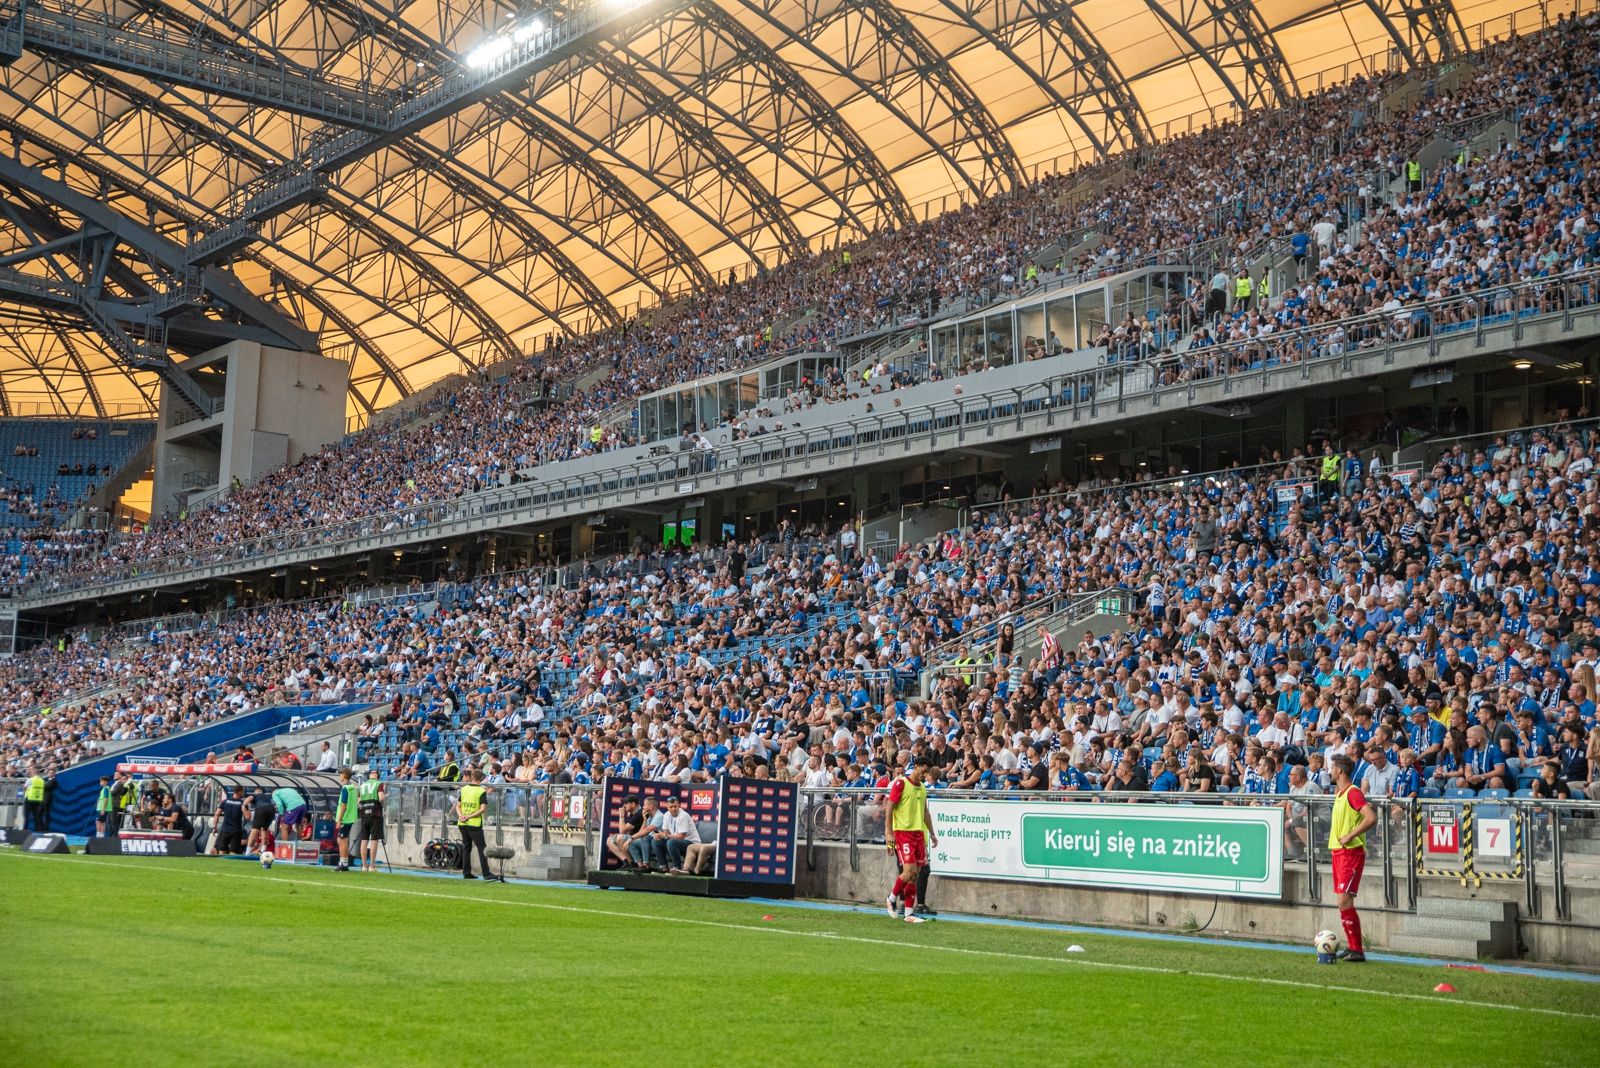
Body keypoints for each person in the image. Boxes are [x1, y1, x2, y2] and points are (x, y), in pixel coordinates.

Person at [1328, 754, 1377, 963]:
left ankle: (1357, 949)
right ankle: (1353, 948)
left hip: (1351, 852)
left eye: (1332, 768)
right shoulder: (1339, 794)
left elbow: (1371, 817)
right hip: (1338, 852)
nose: (1329, 771)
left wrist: (1350, 835)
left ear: (1339, 771)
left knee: (1344, 900)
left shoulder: (1353, 793)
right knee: (1342, 902)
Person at [884, 758, 936, 923]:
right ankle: (891, 898)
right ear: (917, 767)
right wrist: (889, 832)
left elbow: (925, 812)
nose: (925, 774)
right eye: (924, 770)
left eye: (927, 772)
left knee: (916, 875)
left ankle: (908, 913)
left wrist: (932, 833)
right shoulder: (901, 784)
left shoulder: (922, 788)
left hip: (918, 834)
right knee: (909, 872)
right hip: (903, 833)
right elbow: (890, 807)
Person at [453, 767, 490, 879]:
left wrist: (461, 816)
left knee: (466, 847)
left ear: (471, 777)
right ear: (481, 778)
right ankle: (486, 873)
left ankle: (466, 872)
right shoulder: (481, 791)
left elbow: (457, 806)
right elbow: (482, 809)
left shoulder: (464, 789)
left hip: (462, 823)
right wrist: (469, 816)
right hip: (474, 824)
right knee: (481, 848)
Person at [652, 795, 698, 871]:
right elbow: (666, 832)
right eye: (671, 807)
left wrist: (665, 835)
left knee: (671, 842)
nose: (673, 809)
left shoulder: (683, 815)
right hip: (677, 842)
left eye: (675, 806)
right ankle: (663, 867)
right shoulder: (666, 815)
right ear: (667, 806)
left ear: (678, 805)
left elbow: (681, 837)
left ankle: (677, 867)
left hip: (691, 844)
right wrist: (660, 836)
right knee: (655, 841)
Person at [356, 768, 385, 873]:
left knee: (364, 840)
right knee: (374, 840)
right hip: (375, 814)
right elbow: (381, 798)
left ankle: (364, 866)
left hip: (364, 815)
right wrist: (382, 804)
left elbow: (358, 802)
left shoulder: (362, 786)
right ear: (377, 775)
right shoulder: (379, 784)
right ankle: (372, 866)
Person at [607, 796, 644, 866]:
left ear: (633, 804)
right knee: (609, 840)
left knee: (620, 837)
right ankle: (625, 861)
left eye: (626, 803)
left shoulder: (639, 813)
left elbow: (622, 831)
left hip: (641, 839)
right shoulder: (634, 813)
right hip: (634, 838)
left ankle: (631, 862)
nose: (624, 806)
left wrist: (621, 815)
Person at [334, 768, 359, 871]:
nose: (339, 776)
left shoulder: (345, 788)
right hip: (350, 817)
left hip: (345, 818)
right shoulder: (353, 787)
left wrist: (339, 819)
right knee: (341, 839)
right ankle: (343, 862)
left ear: (344, 775)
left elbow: (343, 805)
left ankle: (344, 863)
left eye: (340, 774)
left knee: (342, 840)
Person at [213, 786, 246, 855]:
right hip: (236, 831)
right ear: (239, 792)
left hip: (225, 830)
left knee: (222, 852)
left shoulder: (225, 801)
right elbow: (248, 817)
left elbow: (217, 814)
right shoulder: (242, 803)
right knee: (233, 853)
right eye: (242, 791)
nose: (243, 793)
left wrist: (214, 827)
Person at [23, 766, 46, 832]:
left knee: (26, 815)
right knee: (36, 815)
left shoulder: (30, 779)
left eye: (31, 771)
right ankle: (38, 830)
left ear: (33, 772)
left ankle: (24, 830)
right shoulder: (42, 781)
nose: (30, 772)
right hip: (37, 799)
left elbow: (24, 788)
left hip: (29, 798)